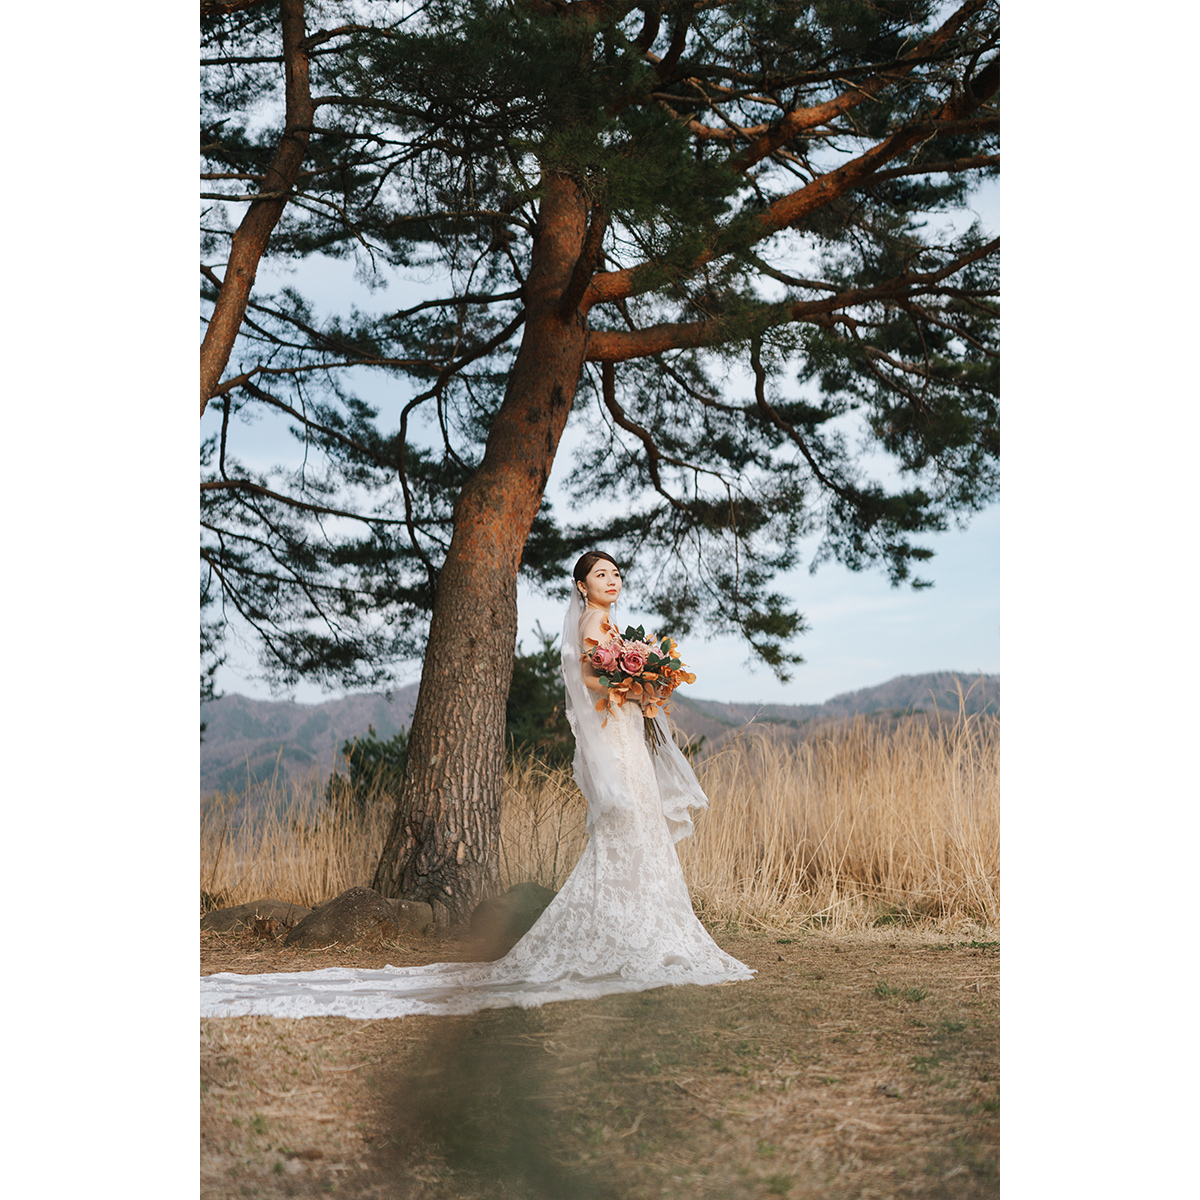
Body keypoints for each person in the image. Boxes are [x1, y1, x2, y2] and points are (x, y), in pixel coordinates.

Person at [199, 552, 753, 1018]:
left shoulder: (613, 629)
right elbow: (589, 678)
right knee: (628, 824)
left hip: (626, 731)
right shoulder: (590, 625)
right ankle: (628, 933)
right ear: (583, 586)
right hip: (614, 736)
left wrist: (642, 680)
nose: (613, 580)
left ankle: (640, 929)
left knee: (638, 827)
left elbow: (612, 677)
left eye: (616, 574)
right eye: (602, 575)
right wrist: (628, 682)